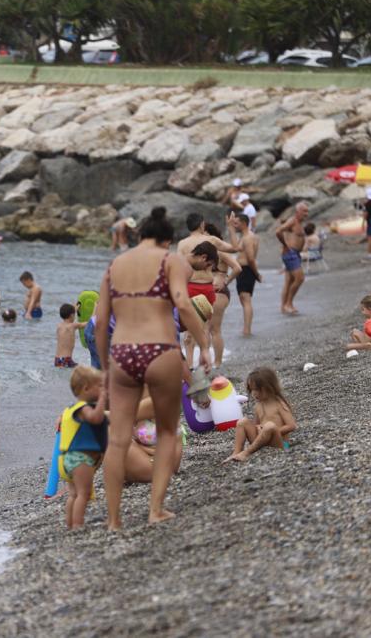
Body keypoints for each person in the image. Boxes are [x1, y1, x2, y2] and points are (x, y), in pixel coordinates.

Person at [94, 207, 210, 530]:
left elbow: (101, 321)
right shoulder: (169, 260)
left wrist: (105, 365)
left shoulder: (115, 265)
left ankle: (114, 519)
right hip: (161, 350)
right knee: (168, 430)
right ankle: (155, 509)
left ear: (139, 235)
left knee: (117, 439)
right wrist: (203, 344)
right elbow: (183, 303)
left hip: (123, 352)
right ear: (167, 240)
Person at [58, 366, 108, 529]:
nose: (103, 389)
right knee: (83, 494)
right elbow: (96, 418)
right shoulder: (84, 408)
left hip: (66, 459)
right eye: (99, 386)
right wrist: (102, 400)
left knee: (73, 494)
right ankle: (78, 524)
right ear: (86, 388)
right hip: (80, 458)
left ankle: (70, 523)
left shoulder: (68, 409)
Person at [225, 368, 297, 463]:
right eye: (251, 390)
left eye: (257, 390)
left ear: (269, 387)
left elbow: (292, 426)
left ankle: (246, 453)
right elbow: (256, 425)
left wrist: (271, 430)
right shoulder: (258, 406)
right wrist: (258, 428)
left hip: (280, 443)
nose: (254, 393)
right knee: (242, 422)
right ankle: (236, 452)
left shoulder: (279, 404)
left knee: (269, 426)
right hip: (262, 441)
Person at [177, 213, 237, 306]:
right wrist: (231, 228)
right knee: (206, 319)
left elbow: (178, 267)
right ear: (202, 225)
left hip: (190, 285)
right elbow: (234, 248)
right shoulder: (211, 240)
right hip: (207, 287)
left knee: (190, 319)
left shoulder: (182, 243)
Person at [204, 223, 242, 368]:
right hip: (208, 291)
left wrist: (226, 281)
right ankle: (208, 361)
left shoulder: (220, 252)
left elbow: (237, 268)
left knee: (214, 329)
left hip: (219, 292)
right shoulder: (204, 252)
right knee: (205, 329)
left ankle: (217, 362)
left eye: (206, 234)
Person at [274, 202, 309, 315]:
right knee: (300, 278)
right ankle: (289, 304)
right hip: (291, 254)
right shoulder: (292, 221)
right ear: (297, 211)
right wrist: (285, 244)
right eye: (304, 211)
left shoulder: (299, 222)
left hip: (295, 254)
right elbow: (278, 231)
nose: (306, 214)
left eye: (307, 211)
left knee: (289, 282)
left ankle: (283, 306)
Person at [230, 213, 262, 336]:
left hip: (247, 270)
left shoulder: (248, 237)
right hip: (244, 270)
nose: (235, 225)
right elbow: (235, 248)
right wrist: (231, 229)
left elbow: (251, 258)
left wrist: (257, 274)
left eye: (236, 223)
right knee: (244, 300)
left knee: (246, 299)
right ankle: (246, 328)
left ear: (243, 223)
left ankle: (247, 330)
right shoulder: (244, 236)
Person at [55, 303, 81, 368]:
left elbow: (69, 315)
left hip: (57, 360)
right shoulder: (73, 326)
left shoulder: (59, 326)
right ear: (72, 315)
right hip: (67, 360)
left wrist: (74, 310)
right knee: (82, 371)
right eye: (74, 315)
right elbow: (89, 323)